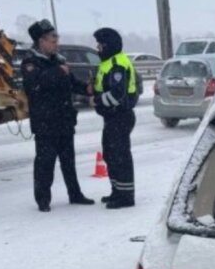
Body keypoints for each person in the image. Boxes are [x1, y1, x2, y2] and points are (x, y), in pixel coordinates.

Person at [21, 19, 94, 212]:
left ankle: (75, 194)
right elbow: (35, 85)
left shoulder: (59, 61)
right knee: (45, 164)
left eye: (56, 40)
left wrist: (87, 89)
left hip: (64, 120)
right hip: (46, 123)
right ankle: (43, 199)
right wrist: (57, 72)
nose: (56, 44)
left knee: (69, 162)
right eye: (53, 40)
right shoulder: (30, 63)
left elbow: (71, 82)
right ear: (41, 41)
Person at [92, 27, 138, 208]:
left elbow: (117, 93)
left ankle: (126, 196)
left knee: (120, 156)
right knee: (110, 154)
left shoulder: (118, 64)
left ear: (109, 45)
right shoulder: (109, 62)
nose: (98, 48)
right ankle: (117, 191)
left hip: (120, 116)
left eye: (100, 45)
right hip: (112, 117)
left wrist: (97, 101)